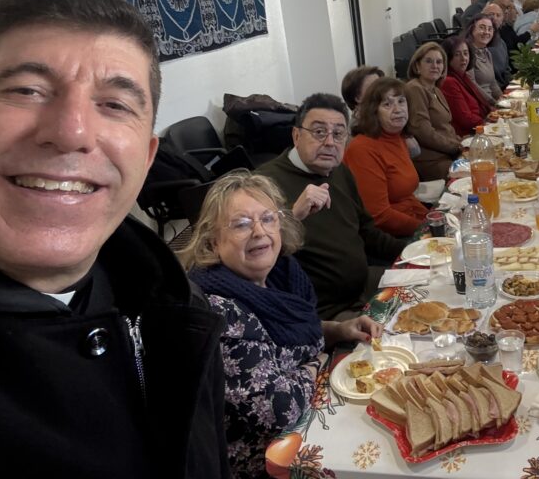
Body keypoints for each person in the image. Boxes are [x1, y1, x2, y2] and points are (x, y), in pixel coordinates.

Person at [0, 0, 228, 477]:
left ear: (146, 159)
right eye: (26, 90)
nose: (72, 132)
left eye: (114, 105)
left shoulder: (178, 310)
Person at [179, 171, 381, 479]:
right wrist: (316, 364)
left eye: (268, 219)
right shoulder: (221, 312)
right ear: (213, 242)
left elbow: (283, 342)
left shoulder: (279, 275)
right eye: (241, 224)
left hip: (309, 415)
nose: (259, 231)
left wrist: (337, 330)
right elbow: (279, 409)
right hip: (270, 462)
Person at [257, 93, 405, 320]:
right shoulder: (264, 184)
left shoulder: (339, 171)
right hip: (327, 312)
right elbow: (257, 259)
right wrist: (292, 216)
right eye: (319, 132)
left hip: (365, 286)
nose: (329, 142)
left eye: (338, 134)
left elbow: (367, 233)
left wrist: (414, 251)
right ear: (296, 136)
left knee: (436, 284)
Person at [343, 77, 428, 238]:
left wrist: (432, 219)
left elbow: (407, 197)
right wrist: (424, 228)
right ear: (373, 111)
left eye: (401, 101)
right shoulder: (362, 148)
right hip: (386, 237)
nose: (398, 109)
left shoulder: (397, 137)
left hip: (410, 224)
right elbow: (379, 216)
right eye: (387, 104)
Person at [404, 43, 461, 181]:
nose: (435, 66)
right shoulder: (415, 89)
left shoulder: (435, 89)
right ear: (417, 66)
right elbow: (424, 133)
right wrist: (456, 147)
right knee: (478, 173)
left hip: (447, 153)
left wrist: (461, 142)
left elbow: (446, 126)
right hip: (431, 161)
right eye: (429, 61)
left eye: (439, 62)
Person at [440, 36, 492, 136]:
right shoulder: (448, 82)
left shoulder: (463, 76)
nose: (463, 58)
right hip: (468, 135)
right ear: (448, 58)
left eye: (465, 53)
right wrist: (489, 124)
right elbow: (465, 119)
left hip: (480, 126)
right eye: (457, 54)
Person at [465, 16, 503, 102]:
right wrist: (493, 103)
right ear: (471, 30)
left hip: (491, 101)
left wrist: (503, 99)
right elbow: (472, 85)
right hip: (480, 103)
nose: (486, 32)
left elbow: (492, 82)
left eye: (490, 29)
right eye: (482, 28)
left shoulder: (486, 52)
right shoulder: (467, 53)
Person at [340, 65, 383, 132]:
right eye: (374, 87)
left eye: (381, 85)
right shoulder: (359, 130)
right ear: (358, 97)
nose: (382, 90)